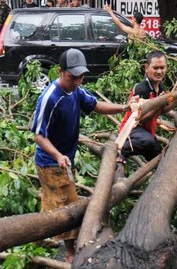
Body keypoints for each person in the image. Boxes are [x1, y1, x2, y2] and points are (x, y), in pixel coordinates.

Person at [31, 48, 131, 263]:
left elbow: (95, 105)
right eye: (72, 77)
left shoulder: (77, 91)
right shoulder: (50, 98)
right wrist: (58, 155)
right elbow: (39, 136)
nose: (77, 81)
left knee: (52, 200)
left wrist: (125, 108)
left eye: (80, 77)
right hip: (51, 162)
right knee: (69, 207)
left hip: (65, 158)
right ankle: (70, 254)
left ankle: (38, 238)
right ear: (60, 71)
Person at [118, 51, 177, 162]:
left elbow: (163, 109)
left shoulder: (160, 87)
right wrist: (159, 103)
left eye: (162, 68)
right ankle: (121, 151)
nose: (159, 71)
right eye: (155, 68)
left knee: (161, 159)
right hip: (132, 131)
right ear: (146, 68)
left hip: (147, 134)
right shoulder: (141, 89)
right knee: (148, 141)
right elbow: (142, 118)